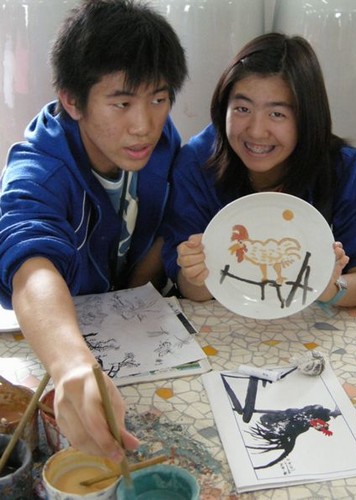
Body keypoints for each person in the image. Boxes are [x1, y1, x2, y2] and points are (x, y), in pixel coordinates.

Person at [0, 0, 187, 461]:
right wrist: (69, 364)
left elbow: (162, 230)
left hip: (136, 341)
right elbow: (30, 259)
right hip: (59, 349)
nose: (144, 125)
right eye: (121, 103)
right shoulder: (39, 170)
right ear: (72, 100)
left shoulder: (163, 143)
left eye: (158, 99)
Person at [162, 32, 356, 307]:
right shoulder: (197, 162)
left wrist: (329, 288)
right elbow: (190, 287)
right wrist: (196, 275)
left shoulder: (341, 167)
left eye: (277, 114)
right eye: (242, 109)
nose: (256, 131)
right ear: (223, 107)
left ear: (307, 117)